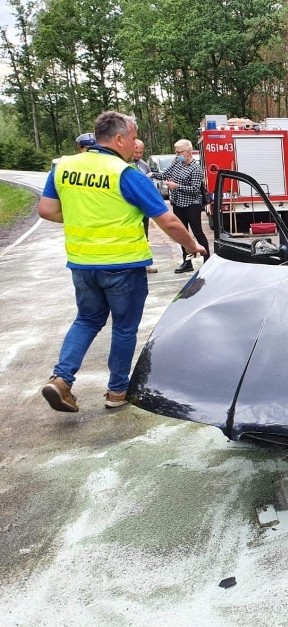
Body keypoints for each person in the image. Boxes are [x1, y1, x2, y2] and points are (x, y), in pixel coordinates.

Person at [37, 111, 207, 413]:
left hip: (81, 265)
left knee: (87, 320)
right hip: (123, 266)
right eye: (132, 137)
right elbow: (167, 220)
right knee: (125, 328)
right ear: (118, 139)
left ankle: (61, 379)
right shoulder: (125, 174)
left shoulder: (64, 167)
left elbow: (47, 210)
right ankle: (116, 392)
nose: (134, 144)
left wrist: (82, 217)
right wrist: (192, 245)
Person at [149, 139, 210, 274]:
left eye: (179, 152)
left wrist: (177, 186)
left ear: (188, 152)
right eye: (176, 152)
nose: (177, 155)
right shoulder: (177, 162)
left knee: (197, 232)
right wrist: (152, 174)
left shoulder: (195, 168)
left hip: (192, 204)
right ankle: (187, 262)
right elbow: (165, 174)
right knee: (182, 233)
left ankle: (207, 261)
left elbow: (195, 189)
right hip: (178, 203)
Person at [132, 139, 157, 274]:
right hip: (130, 208)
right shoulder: (124, 164)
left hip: (143, 208)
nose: (139, 154)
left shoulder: (144, 165)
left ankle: (145, 264)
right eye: (136, 151)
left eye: (141, 152)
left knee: (144, 236)